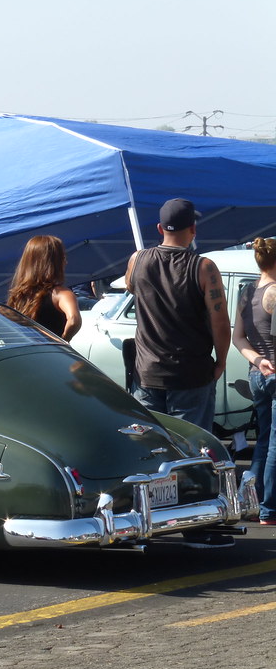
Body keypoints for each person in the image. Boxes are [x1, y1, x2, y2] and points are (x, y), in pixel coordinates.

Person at [124, 198, 230, 432]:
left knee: (151, 446)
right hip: (191, 374)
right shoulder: (204, 267)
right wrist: (221, 362)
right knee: (190, 446)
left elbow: (131, 287)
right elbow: (220, 322)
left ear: (160, 228)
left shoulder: (137, 259)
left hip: (147, 373)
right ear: (193, 229)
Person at [232, 237, 276, 525]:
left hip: (257, 373)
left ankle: (250, 501)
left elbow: (238, 338)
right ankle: (269, 509)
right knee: (274, 444)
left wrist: (258, 360)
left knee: (263, 440)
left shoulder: (247, 292)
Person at [5, 235, 82, 341]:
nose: (65, 262)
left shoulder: (19, 295)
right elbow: (74, 320)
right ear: (54, 262)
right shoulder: (61, 294)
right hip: (50, 350)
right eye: (62, 257)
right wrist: (63, 341)